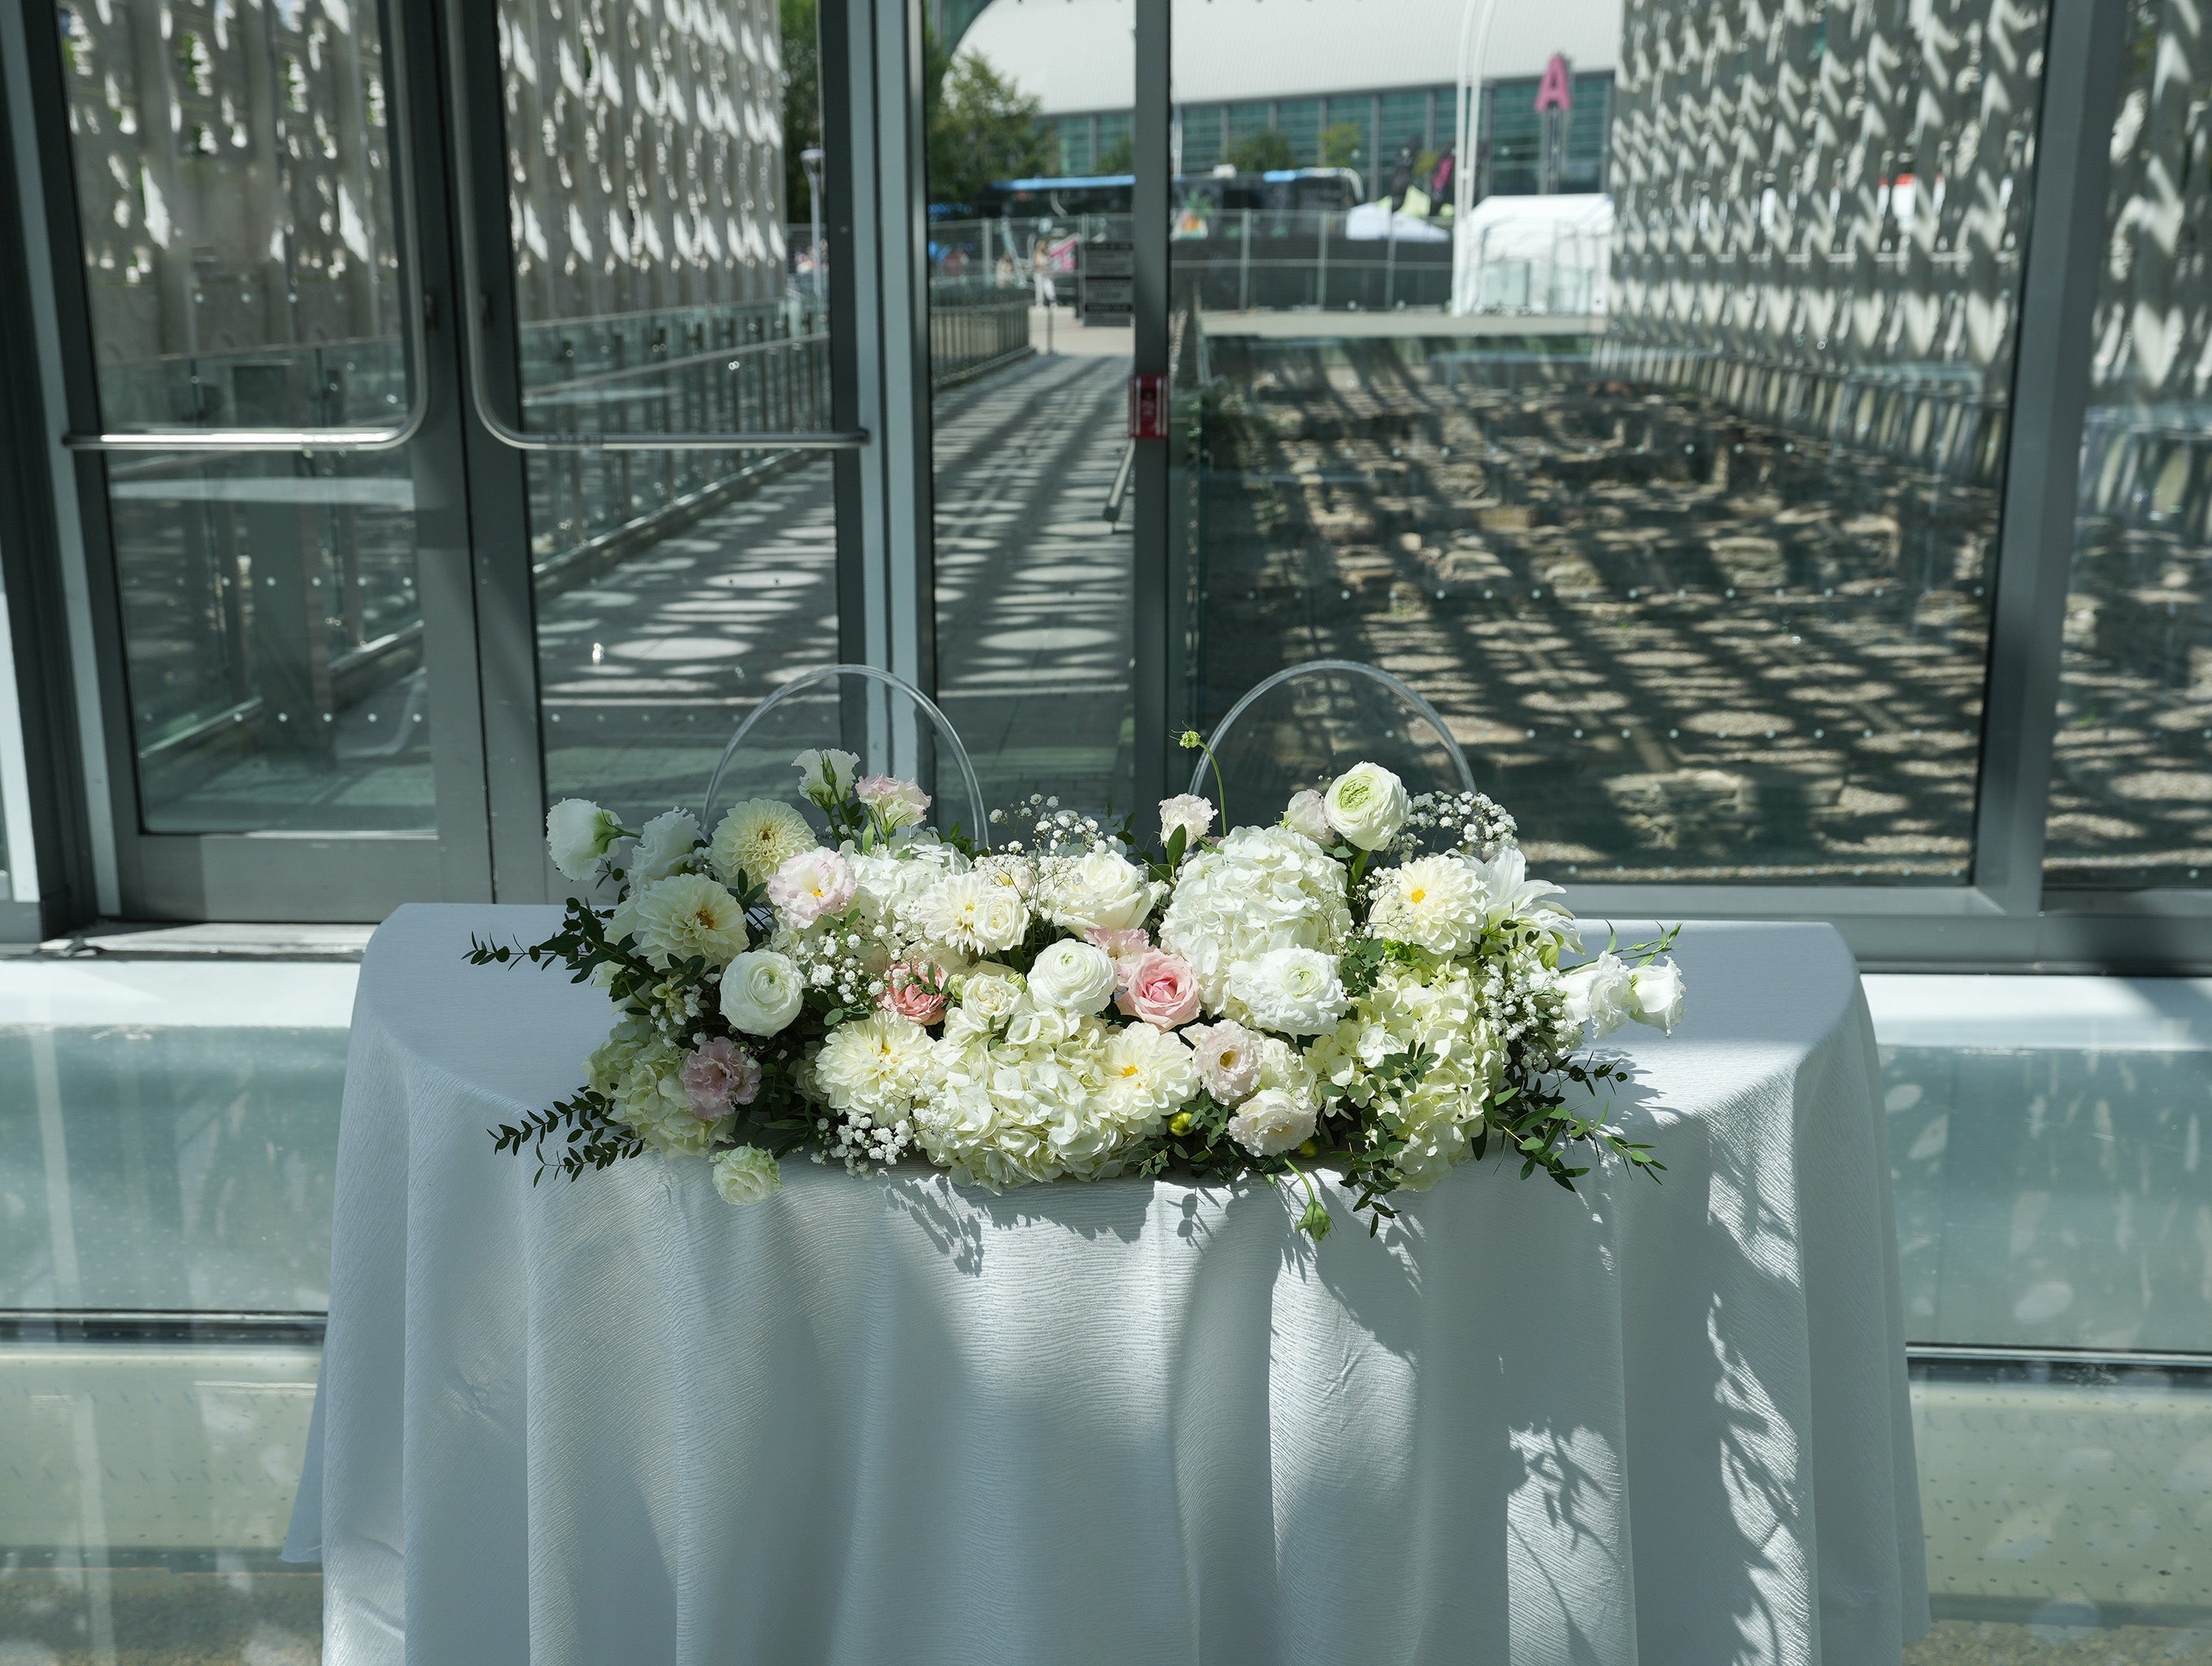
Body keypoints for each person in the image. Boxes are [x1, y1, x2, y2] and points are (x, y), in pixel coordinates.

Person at [1031, 237, 1057, 309]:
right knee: (1039, 289)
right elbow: (1037, 264)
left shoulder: (1046, 253)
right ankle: (1039, 303)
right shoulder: (1037, 253)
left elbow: (1050, 262)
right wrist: (1045, 264)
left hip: (1046, 274)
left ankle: (1053, 302)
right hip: (1039, 274)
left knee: (1049, 287)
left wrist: (1049, 263)